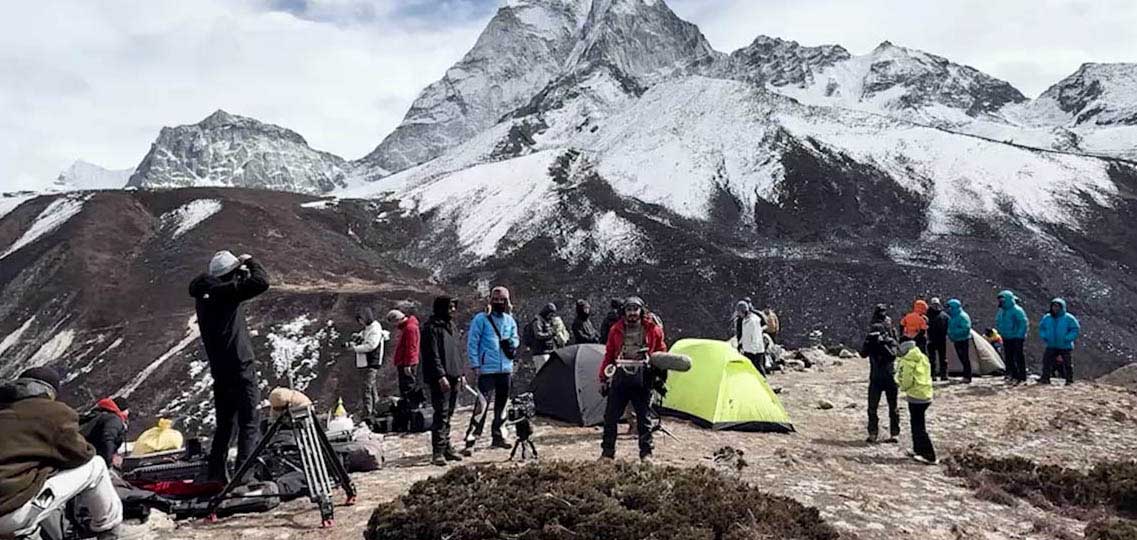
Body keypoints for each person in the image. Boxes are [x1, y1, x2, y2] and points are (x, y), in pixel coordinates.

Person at [1, 368, 124, 539]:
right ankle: (108, 530)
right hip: (9, 513)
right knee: (96, 466)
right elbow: (82, 455)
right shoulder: (53, 412)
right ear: (50, 392)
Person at [188, 250, 270, 482]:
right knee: (249, 422)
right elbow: (261, 281)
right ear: (229, 274)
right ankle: (244, 478)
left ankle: (216, 475)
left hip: (220, 370)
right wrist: (250, 261)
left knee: (225, 425)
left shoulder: (203, 294)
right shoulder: (225, 293)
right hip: (240, 366)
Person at [599, 297, 667, 461]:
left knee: (644, 419)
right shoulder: (616, 329)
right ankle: (607, 453)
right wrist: (602, 377)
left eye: (635, 309)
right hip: (620, 377)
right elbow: (609, 354)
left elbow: (661, 351)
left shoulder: (653, 329)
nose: (632, 313)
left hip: (643, 377)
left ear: (641, 311)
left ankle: (646, 454)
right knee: (610, 418)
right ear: (624, 312)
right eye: (629, 310)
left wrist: (661, 376)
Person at [466, 286, 520, 452]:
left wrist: (510, 343)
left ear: (507, 301)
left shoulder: (510, 320)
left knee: (502, 404)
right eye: (495, 299)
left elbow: (516, 338)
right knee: (482, 405)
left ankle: (499, 436)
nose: (498, 302)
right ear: (490, 300)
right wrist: (475, 364)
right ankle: (471, 438)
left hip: (505, 368)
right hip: (487, 368)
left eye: (501, 300)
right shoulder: (481, 319)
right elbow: (472, 342)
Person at [420, 297, 465, 466]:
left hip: (453, 375)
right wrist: (440, 375)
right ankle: (437, 452)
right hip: (440, 378)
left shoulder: (450, 326)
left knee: (449, 413)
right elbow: (432, 354)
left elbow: (456, 352)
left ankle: (447, 447)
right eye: (450, 307)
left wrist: (460, 373)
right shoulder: (431, 328)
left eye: (454, 307)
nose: (453, 310)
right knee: (441, 413)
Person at [895, 340, 937, 464]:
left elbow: (906, 380)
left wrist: (901, 386)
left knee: (918, 426)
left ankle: (929, 455)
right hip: (925, 393)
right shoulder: (922, 357)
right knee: (916, 423)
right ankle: (918, 450)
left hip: (915, 396)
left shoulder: (907, 361)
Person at [859, 322, 900, 444]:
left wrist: (882, 343)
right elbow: (862, 354)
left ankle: (894, 433)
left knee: (893, 408)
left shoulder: (890, 342)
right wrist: (868, 342)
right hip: (875, 379)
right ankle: (872, 433)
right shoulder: (871, 342)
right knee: (872, 408)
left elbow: (892, 356)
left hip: (889, 379)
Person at [349, 308, 390, 420]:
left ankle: (368, 412)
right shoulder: (368, 329)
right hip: (366, 362)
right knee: (371, 387)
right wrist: (358, 337)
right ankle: (376, 409)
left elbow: (371, 345)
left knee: (366, 388)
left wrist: (355, 348)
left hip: (371, 362)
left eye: (361, 320)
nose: (360, 323)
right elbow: (365, 337)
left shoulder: (375, 329)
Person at [1039, 298, 1080, 386]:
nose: (1055, 308)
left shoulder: (1069, 318)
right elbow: (1042, 328)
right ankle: (1045, 378)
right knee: (1046, 362)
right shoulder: (1047, 318)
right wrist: (1045, 336)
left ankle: (1069, 380)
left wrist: (1067, 338)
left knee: (1067, 363)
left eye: (1057, 306)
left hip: (1065, 345)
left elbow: (1075, 329)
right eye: (1054, 306)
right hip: (1051, 344)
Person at [80, 397, 130, 467]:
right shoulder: (114, 419)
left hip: (82, 453)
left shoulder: (99, 415)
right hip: (92, 458)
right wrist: (109, 462)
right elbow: (108, 439)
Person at [387, 309, 421, 407]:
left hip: (407, 364)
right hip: (405, 362)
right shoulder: (408, 327)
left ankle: (411, 408)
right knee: (406, 387)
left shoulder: (410, 328)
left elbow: (411, 347)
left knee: (408, 387)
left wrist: (408, 364)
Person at [995, 290, 1029, 384]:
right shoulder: (1001, 311)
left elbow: (1023, 323)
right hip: (1006, 337)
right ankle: (1013, 375)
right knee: (1009, 357)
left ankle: (1021, 377)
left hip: (1017, 337)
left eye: (1002, 299)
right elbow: (998, 321)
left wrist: (1020, 335)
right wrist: (1000, 331)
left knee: (1018, 357)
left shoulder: (1017, 310)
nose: (1001, 302)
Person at [734, 301, 768, 376]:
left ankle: (764, 384)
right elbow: (745, 333)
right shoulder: (745, 320)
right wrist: (740, 343)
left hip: (755, 350)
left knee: (758, 367)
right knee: (750, 368)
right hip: (748, 349)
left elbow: (756, 336)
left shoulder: (753, 321)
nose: (738, 314)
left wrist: (754, 350)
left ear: (743, 311)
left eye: (739, 312)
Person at [946, 298, 973, 383]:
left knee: (965, 358)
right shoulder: (953, 317)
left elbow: (966, 328)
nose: (948, 309)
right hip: (956, 340)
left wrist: (954, 333)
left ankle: (968, 376)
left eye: (950, 307)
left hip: (963, 340)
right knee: (962, 358)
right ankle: (965, 375)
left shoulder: (962, 316)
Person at [526, 303, 558, 372]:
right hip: (540, 353)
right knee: (542, 373)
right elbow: (538, 335)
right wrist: (550, 334)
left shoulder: (547, 321)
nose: (551, 316)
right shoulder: (538, 321)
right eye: (551, 314)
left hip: (548, 351)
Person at [926, 298, 950, 381]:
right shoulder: (927, 316)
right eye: (934, 304)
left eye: (936, 304)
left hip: (941, 339)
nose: (935, 306)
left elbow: (948, 326)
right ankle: (932, 375)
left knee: (943, 358)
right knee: (932, 359)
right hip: (931, 339)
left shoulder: (944, 315)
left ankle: (944, 375)